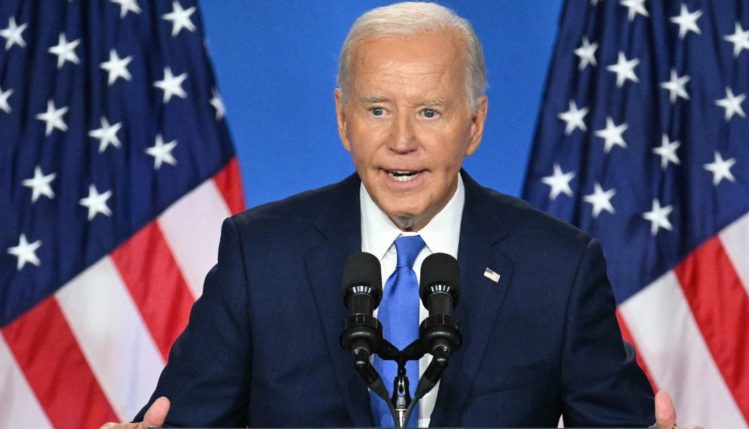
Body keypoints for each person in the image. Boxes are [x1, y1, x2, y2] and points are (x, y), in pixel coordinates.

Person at [103, 2, 698, 428]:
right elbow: (178, 421)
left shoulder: (557, 269)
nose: (402, 140)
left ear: (475, 124)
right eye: (378, 109)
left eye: (431, 112)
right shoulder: (261, 256)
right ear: (343, 119)